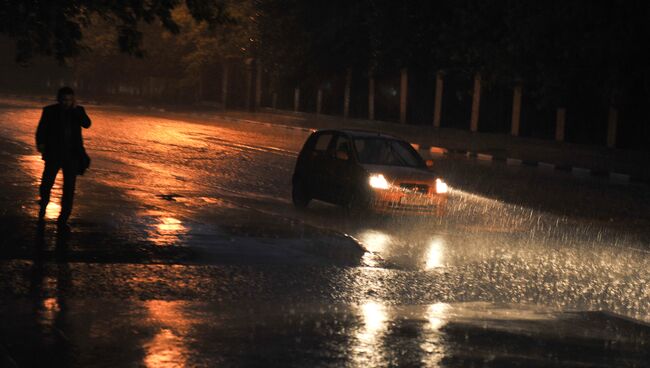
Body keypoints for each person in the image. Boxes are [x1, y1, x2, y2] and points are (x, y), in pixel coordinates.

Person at [35, 87, 91, 228]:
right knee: (46, 183)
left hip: (71, 155)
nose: (66, 102)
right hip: (53, 154)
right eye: (64, 100)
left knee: (69, 187)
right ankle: (44, 203)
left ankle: (64, 216)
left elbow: (87, 124)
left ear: (73, 100)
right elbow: (41, 130)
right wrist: (41, 144)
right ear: (59, 99)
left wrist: (75, 109)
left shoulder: (78, 111)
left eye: (69, 100)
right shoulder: (49, 111)